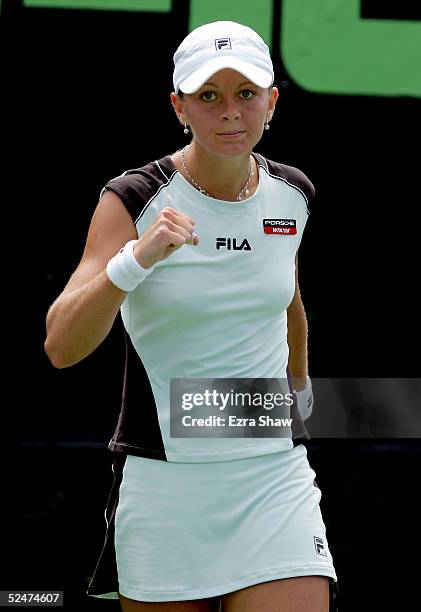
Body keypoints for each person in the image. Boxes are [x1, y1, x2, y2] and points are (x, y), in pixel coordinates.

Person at [44, 20, 338, 612]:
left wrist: (301, 395)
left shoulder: (293, 194)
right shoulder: (132, 198)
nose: (230, 112)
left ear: (272, 101)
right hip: (165, 488)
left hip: (274, 477)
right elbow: (61, 345)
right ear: (179, 106)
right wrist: (135, 261)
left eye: (246, 94)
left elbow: (287, 302)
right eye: (208, 97)